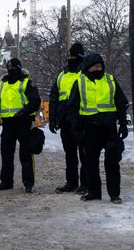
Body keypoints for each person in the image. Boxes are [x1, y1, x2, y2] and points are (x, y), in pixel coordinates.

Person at [66, 53, 129, 204]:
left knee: (112, 161)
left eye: (100, 66)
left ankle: (114, 194)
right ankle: (94, 192)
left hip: (109, 128)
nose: (99, 68)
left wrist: (123, 123)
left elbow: (121, 103)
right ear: (88, 67)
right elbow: (73, 107)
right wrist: (75, 127)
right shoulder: (80, 82)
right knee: (90, 163)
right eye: (95, 66)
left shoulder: (110, 79)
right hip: (89, 129)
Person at [0, 58, 42, 193]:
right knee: (6, 154)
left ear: (19, 68)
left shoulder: (26, 83)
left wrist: (23, 113)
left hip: (23, 123)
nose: (11, 70)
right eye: (9, 67)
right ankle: (6, 182)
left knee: (25, 154)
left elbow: (35, 101)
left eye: (13, 67)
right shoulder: (2, 84)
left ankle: (28, 183)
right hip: (7, 124)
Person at [48, 43, 88, 194]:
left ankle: (85, 183)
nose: (69, 58)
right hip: (65, 120)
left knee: (84, 153)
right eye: (69, 55)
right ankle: (72, 182)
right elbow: (54, 97)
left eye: (72, 55)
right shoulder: (62, 74)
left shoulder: (85, 73)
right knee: (70, 153)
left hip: (81, 119)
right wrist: (52, 118)